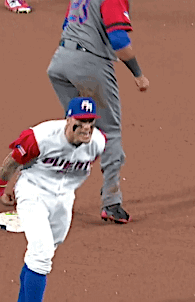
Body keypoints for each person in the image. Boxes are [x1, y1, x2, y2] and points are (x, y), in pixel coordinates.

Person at [46, 0, 150, 224]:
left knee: (73, 130)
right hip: (90, 65)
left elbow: (68, 24)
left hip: (60, 63)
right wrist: (138, 74)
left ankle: (45, 191)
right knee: (109, 131)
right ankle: (112, 203)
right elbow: (120, 40)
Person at [0, 97, 106, 302]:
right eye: (81, 122)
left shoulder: (98, 143)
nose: (87, 128)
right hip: (33, 192)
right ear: (68, 120)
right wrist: (0, 189)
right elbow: (12, 161)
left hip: (64, 199)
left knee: (43, 253)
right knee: (42, 254)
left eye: (91, 121)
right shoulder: (40, 137)